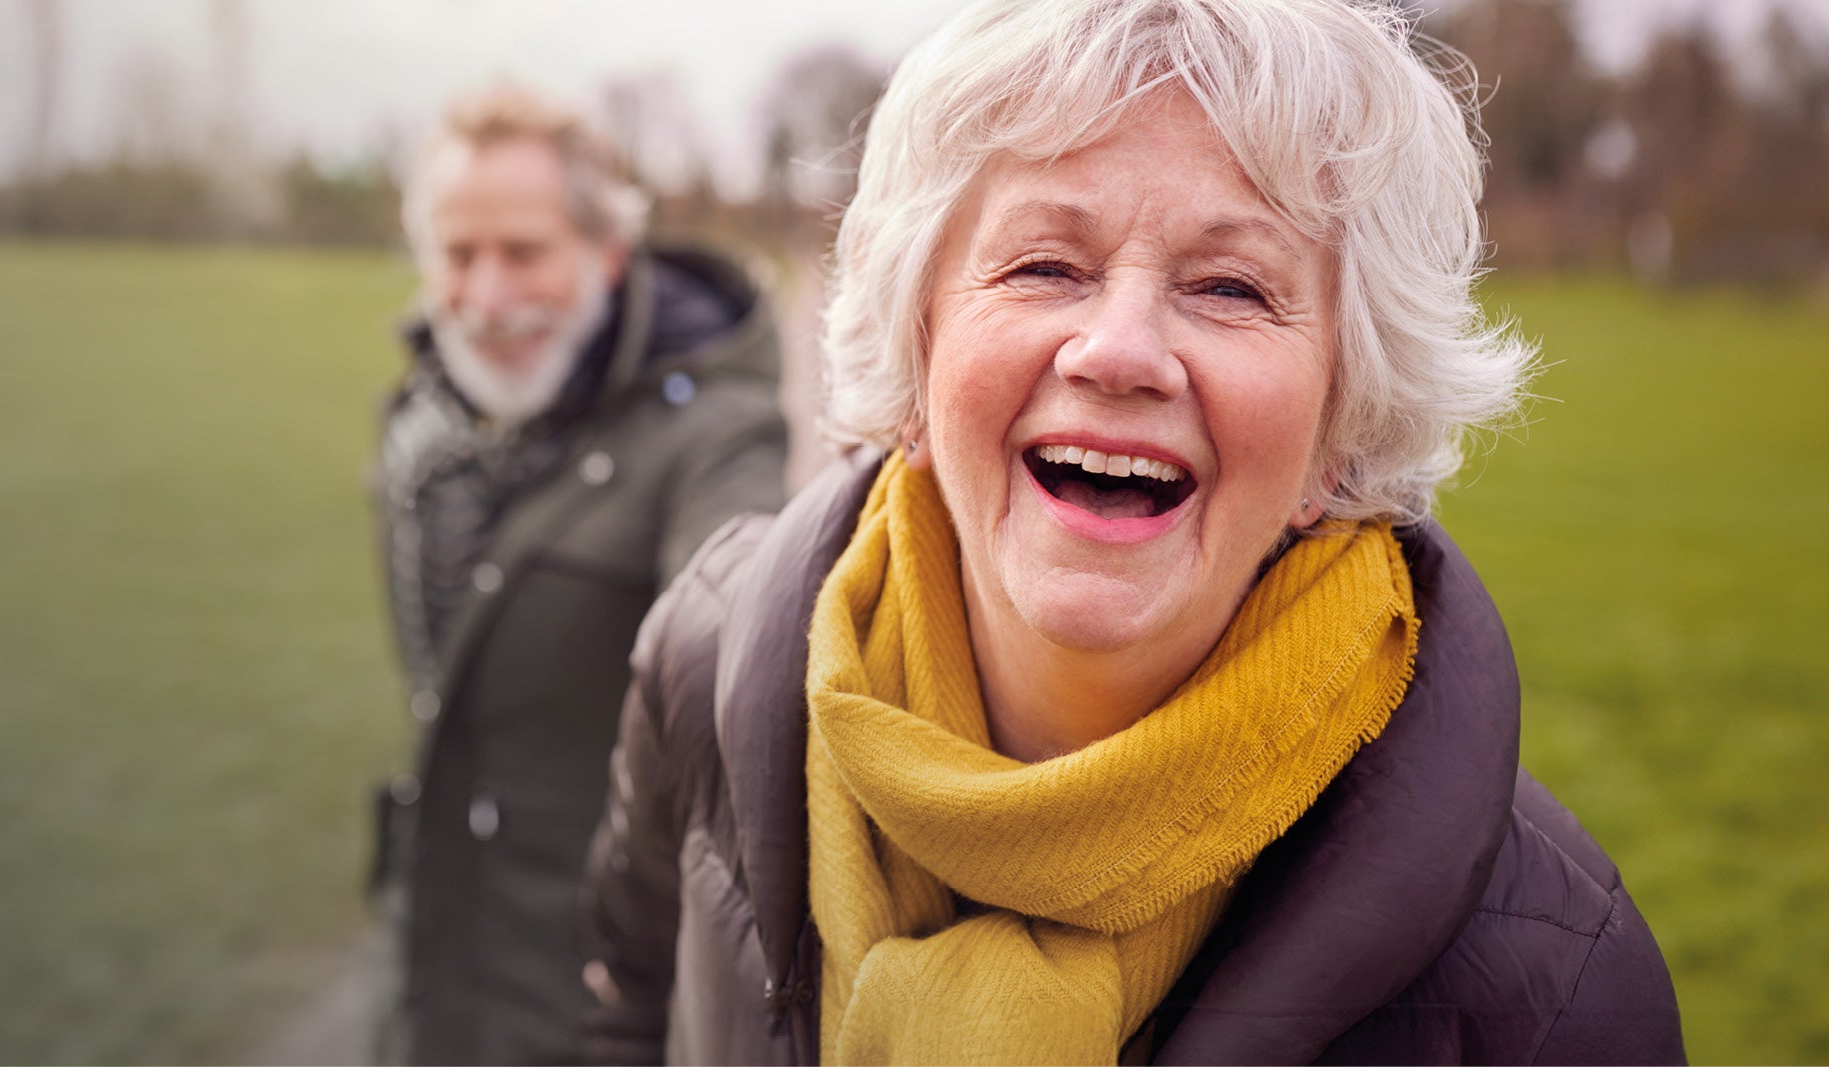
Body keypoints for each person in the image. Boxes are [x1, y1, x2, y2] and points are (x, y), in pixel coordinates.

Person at [582, 1, 1684, 1063]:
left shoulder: (1553, 996)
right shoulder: (703, 660)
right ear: (914, 357)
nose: (1116, 351)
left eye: (1229, 286)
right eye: (1044, 266)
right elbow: (630, 1016)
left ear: (1338, 435)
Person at [368, 84, 788, 1065]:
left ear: (605, 253)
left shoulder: (715, 429)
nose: (482, 296)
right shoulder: (424, 425)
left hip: (588, 1001)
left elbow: (739, 601)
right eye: (456, 255)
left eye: (521, 252)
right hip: (431, 975)